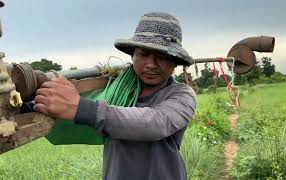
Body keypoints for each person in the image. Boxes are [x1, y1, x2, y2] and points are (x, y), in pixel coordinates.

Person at [33, 12, 196, 180]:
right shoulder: (115, 88)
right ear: (133, 55)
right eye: (143, 54)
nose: (151, 64)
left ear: (175, 62)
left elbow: (155, 123)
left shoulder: (182, 95)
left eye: (162, 57)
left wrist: (80, 108)